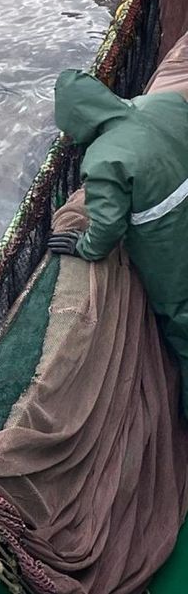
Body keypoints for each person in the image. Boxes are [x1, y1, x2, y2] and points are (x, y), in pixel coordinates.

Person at [48, 69, 188, 413]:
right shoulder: (165, 104)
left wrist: (84, 247)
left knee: (183, 321)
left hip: (167, 248)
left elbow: (107, 227)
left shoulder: (105, 159)